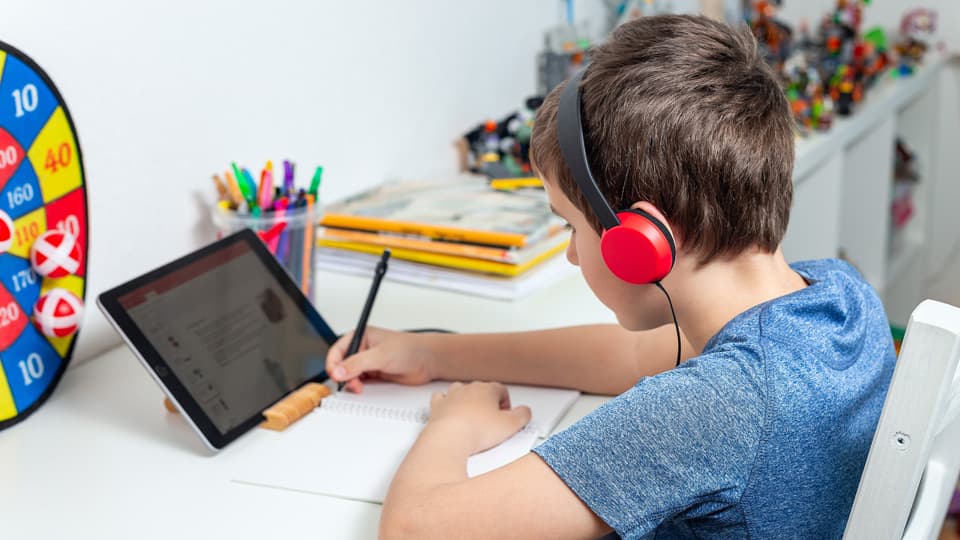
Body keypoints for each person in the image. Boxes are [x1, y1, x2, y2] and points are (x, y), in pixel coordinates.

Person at [325, 14, 895, 539]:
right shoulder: (837, 295)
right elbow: (626, 358)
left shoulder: (716, 408)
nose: (573, 255)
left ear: (640, 243)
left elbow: (414, 530)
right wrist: (432, 354)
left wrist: (455, 425)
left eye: (572, 227)